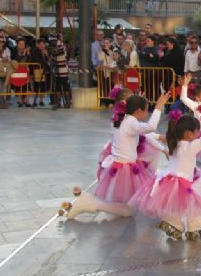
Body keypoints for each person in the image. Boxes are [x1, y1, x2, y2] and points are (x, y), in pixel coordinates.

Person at [63, 92, 170, 220]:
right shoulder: (130, 123)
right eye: (147, 110)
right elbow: (151, 127)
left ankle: (90, 202)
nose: (147, 114)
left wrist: (163, 149)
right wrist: (158, 106)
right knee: (129, 210)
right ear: (138, 111)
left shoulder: (127, 120)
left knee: (130, 207)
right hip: (123, 169)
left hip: (125, 166)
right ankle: (89, 203)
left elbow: (146, 135)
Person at [129, 104, 201, 240]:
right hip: (183, 183)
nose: (198, 136)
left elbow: (191, 168)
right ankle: (193, 222)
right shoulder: (191, 146)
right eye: (197, 132)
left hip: (169, 180)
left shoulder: (173, 143)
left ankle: (174, 221)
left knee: (192, 191)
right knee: (195, 195)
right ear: (189, 134)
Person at [12, 36, 31, 107]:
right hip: (17, 70)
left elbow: (30, 60)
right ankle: (20, 101)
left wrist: (28, 53)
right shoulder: (14, 51)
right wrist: (23, 55)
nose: (22, 45)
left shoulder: (26, 51)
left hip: (25, 70)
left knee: (27, 86)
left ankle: (27, 101)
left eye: (23, 44)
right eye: (20, 44)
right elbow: (15, 60)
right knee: (18, 85)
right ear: (17, 44)